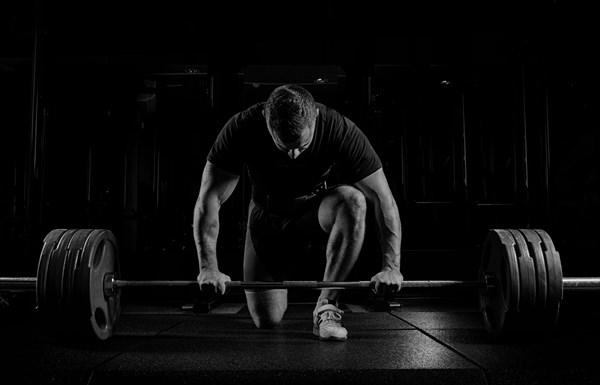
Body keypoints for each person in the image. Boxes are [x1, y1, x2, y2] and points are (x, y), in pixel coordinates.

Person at [193, 84, 403, 341]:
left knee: (354, 201)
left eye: (301, 147)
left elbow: (383, 199)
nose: (293, 155)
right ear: (265, 121)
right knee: (267, 320)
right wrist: (209, 267)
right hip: (266, 218)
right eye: (284, 147)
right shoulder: (242, 127)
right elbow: (210, 198)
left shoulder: (339, 129)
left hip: (313, 211)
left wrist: (391, 266)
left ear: (315, 115)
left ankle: (327, 306)